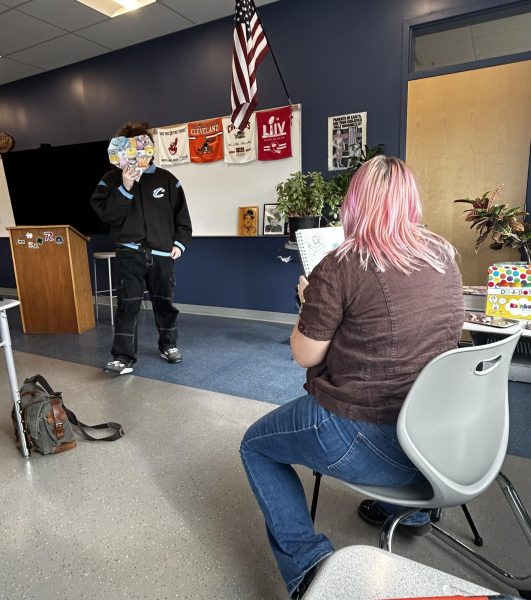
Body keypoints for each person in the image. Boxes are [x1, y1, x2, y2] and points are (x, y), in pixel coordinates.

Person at [240, 156, 464, 599]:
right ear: (410, 202)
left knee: (255, 447)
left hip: (363, 432)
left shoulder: (340, 264)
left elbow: (304, 354)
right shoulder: (443, 254)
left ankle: (309, 568)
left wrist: (310, 300)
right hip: (437, 439)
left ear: (354, 204)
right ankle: (413, 513)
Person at [90, 121, 192, 375]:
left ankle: (168, 344)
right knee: (128, 304)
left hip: (161, 254)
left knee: (165, 303)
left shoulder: (167, 179)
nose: (138, 155)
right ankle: (123, 357)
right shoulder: (111, 179)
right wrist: (125, 187)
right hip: (129, 252)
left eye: (142, 148)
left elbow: (183, 217)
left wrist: (179, 243)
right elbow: (107, 215)